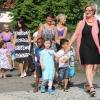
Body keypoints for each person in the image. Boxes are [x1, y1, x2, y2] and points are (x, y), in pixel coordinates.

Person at [66, 3, 100, 97]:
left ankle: (88, 84)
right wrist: (69, 45)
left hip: (95, 47)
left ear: (94, 12)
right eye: (86, 10)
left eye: (90, 10)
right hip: (84, 47)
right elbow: (76, 34)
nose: (88, 12)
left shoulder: (97, 23)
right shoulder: (81, 23)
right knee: (88, 66)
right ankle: (92, 88)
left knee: (95, 68)